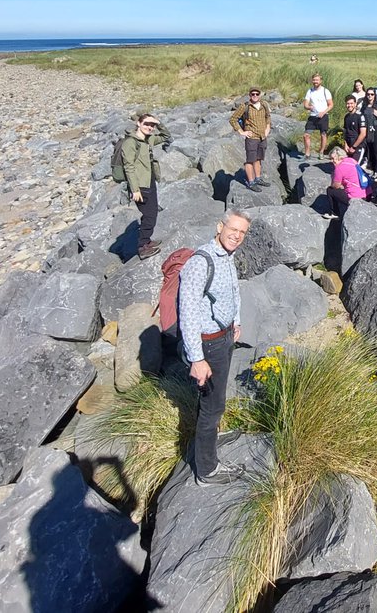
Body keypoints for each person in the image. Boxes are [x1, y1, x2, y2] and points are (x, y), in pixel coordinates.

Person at [179, 210, 251, 485]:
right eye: (233, 229)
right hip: (208, 345)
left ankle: (208, 440)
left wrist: (237, 322)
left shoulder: (227, 256)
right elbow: (187, 313)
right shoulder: (201, 262)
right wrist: (197, 359)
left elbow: (232, 291)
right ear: (219, 226)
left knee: (214, 401)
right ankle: (207, 469)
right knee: (213, 405)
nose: (236, 235)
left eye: (242, 232)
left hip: (224, 337)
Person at [121, 112, 171, 260]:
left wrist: (158, 122)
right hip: (140, 184)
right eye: (146, 124)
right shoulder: (130, 143)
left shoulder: (149, 139)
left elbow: (167, 136)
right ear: (138, 123)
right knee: (149, 215)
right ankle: (143, 247)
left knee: (153, 211)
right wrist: (135, 190)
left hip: (150, 181)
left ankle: (147, 240)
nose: (149, 127)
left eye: (152, 125)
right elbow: (128, 167)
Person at [229, 88, 272, 189]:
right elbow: (233, 119)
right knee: (250, 160)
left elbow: (268, 117)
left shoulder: (264, 104)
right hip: (251, 138)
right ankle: (251, 182)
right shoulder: (245, 106)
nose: (255, 95)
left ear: (260, 95)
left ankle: (257, 179)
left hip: (262, 137)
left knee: (258, 159)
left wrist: (268, 129)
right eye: (253, 94)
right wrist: (241, 132)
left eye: (257, 94)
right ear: (249, 95)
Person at [326, 146, 367, 219]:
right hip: (365, 193)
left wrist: (333, 176)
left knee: (330, 190)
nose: (332, 161)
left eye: (333, 158)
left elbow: (336, 186)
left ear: (339, 157)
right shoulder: (351, 160)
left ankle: (334, 213)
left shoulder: (339, 168)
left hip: (354, 198)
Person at [302, 73, 333, 159]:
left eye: (317, 80)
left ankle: (321, 152)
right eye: (314, 80)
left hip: (323, 115)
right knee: (306, 135)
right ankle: (307, 153)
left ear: (321, 81)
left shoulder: (325, 91)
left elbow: (331, 105)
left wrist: (323, 112)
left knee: (323, 134)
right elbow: (305, 105)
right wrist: (309, 107)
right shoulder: (310, 91)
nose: (315, 81)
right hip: (313, 116)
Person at [342, 95, 368, 167]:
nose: (349, 105)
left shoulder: (360, 116)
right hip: (348, 146)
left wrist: (354, 147)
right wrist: (345, 144)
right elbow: (345, 131)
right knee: (346, 167)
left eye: (351, 103)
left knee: (354, 167)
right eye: (348, 103)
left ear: (355, 104)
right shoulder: (346, 117)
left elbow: (363, 134)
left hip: (358, 146)